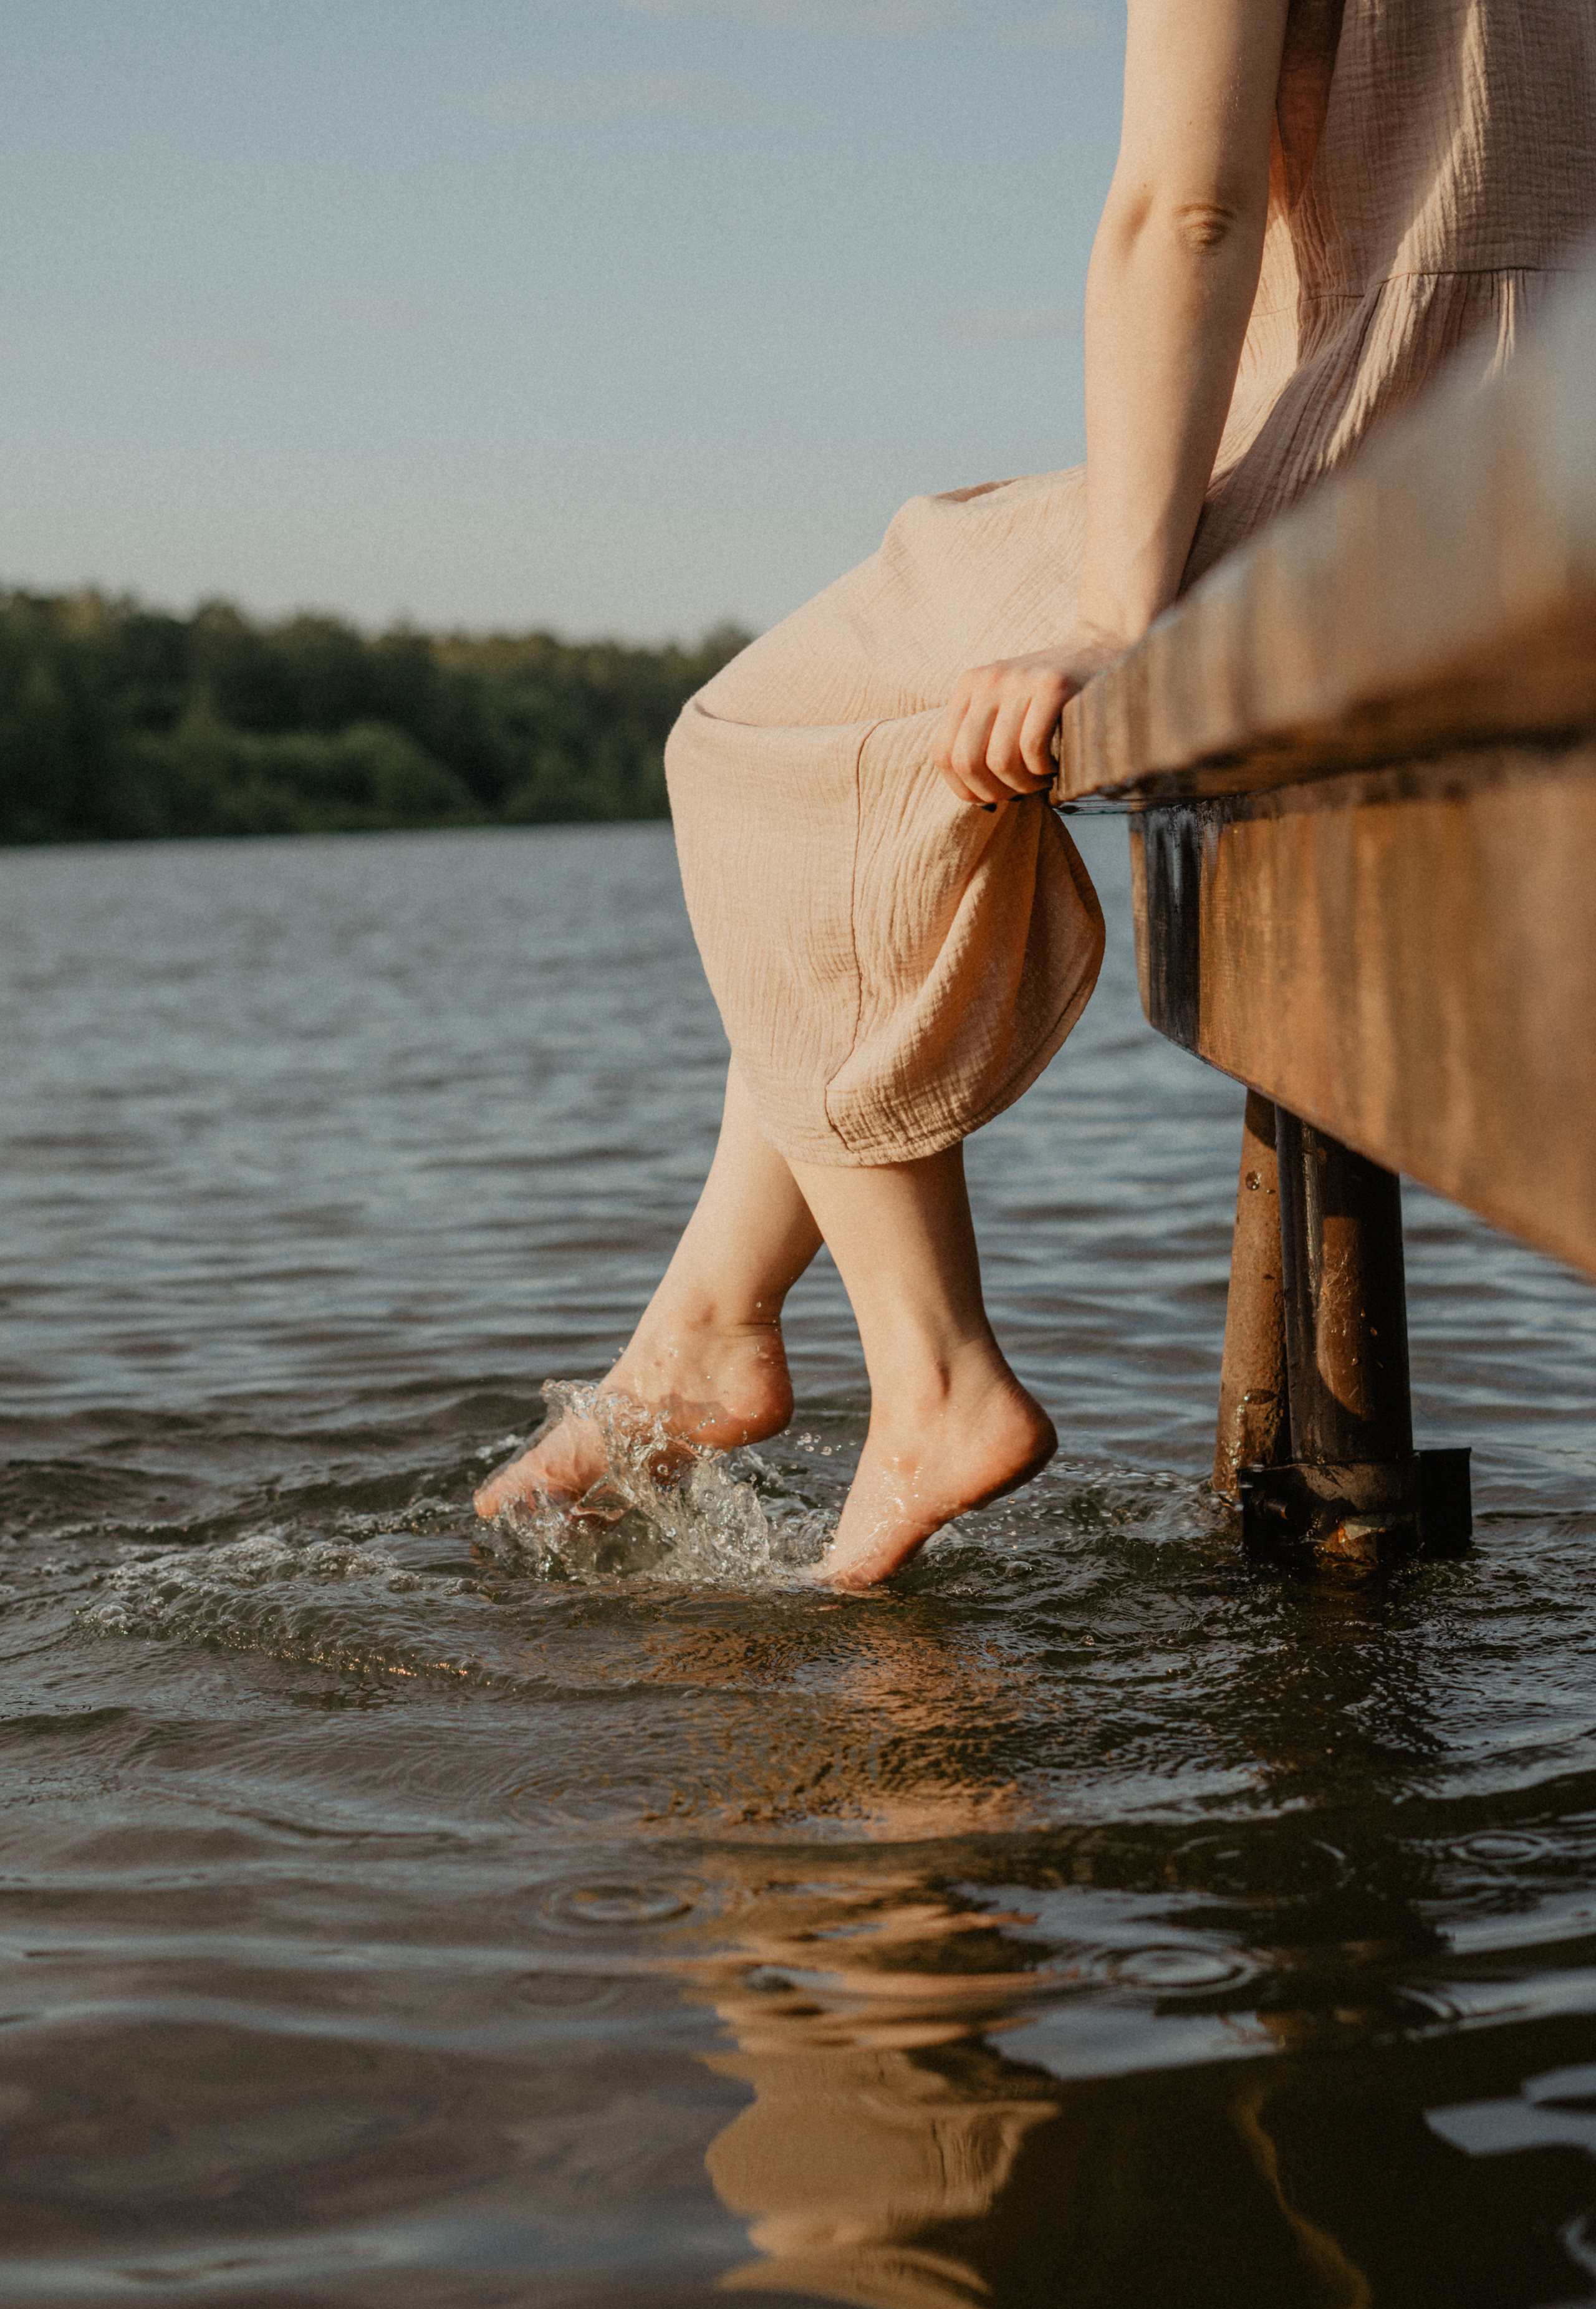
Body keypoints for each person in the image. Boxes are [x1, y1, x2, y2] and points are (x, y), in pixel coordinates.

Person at [478, 0, 1596, 1586]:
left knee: (753, 735)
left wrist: (1114, 616)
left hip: (1399, 444)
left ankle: (926, 1372)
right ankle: (702, 1328)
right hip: (1558, 431)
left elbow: (1179, 206)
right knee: (844, 775)